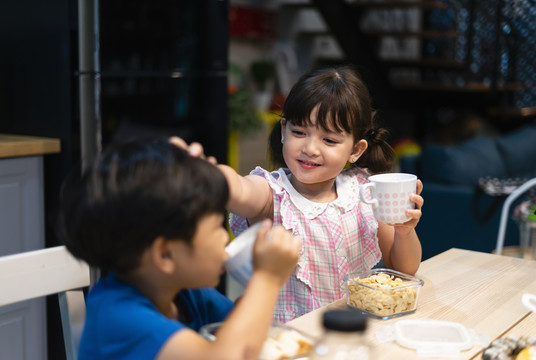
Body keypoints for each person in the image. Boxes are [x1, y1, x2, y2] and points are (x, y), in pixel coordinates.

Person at [57, 138, 300, 360]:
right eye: (217, 226)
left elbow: (237, 331)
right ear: (165, 255)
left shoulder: (185, 293)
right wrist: (266, 279)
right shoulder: (120, 317)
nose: (224, 238)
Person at [218, 66, 424, 323]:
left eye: (329, 140)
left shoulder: (364, 191)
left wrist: (405, 231)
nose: (310, 148)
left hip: (348, 333)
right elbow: (240, 190)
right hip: (286, 339)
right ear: (283, 130)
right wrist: (212, 174)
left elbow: (403, 269)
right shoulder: (273, 193)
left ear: (356, 150)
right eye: (299, 132)